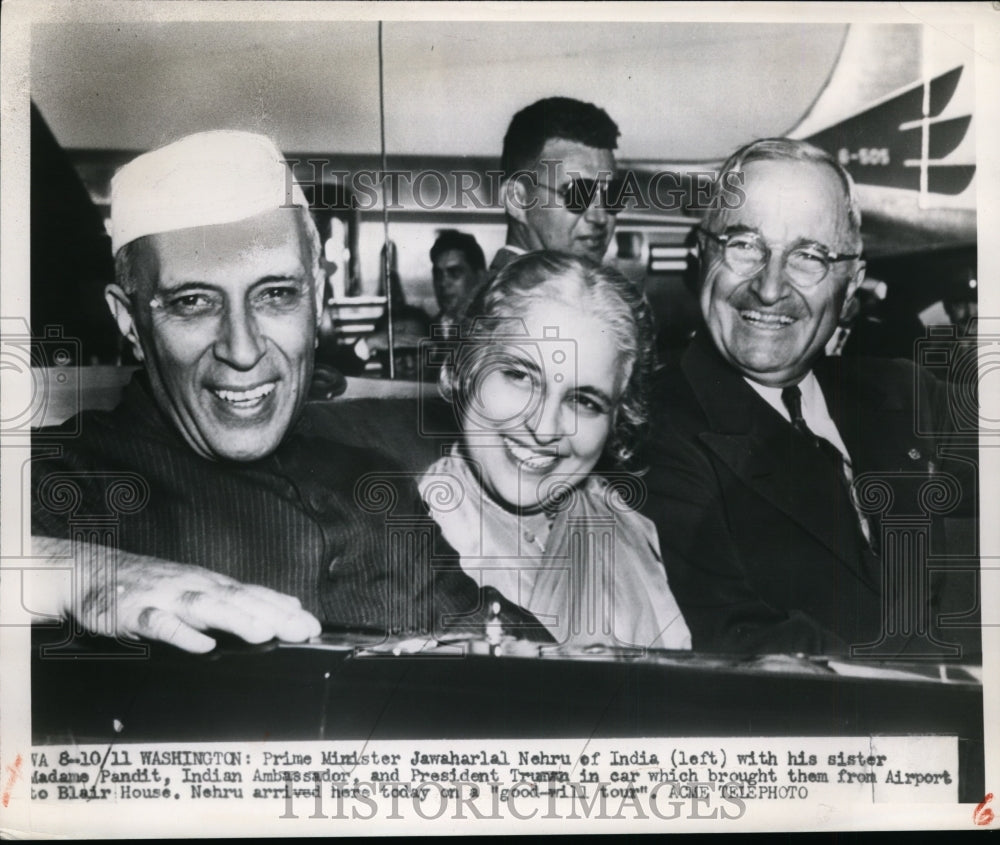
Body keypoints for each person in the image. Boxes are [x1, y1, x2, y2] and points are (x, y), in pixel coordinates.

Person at [30, 130, 534, 653]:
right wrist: (83, 572)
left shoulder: (372, 485)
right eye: (194, 303)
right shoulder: (61, 478)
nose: (243, 350)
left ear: (316, 299)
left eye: (276, 294)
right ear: (129, 322)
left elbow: (508, 647)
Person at [641, 138, 977, 657]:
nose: (770, 287)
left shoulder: (902, 391)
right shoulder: (651, 428)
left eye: (809, 256)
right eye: (744, 244)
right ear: (702, 252)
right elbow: (740, 640)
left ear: (852, 284)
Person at [418, 252, 691, 650]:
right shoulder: (416, 540)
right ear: (463, 368)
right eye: (520, 376)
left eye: (584, 402)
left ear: (617, 421)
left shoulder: (627, 527)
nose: (544, 428)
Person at [492, 97, 623, 274]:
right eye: (579, 194)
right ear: (517, 200)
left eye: (613, 195)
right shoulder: (509, 300)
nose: (600, 217)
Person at [429, 230, 487, 326]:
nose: (443, 283)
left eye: (454, 273)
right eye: (438, 275)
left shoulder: (495, 329)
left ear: (480, 277)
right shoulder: (423, 331)